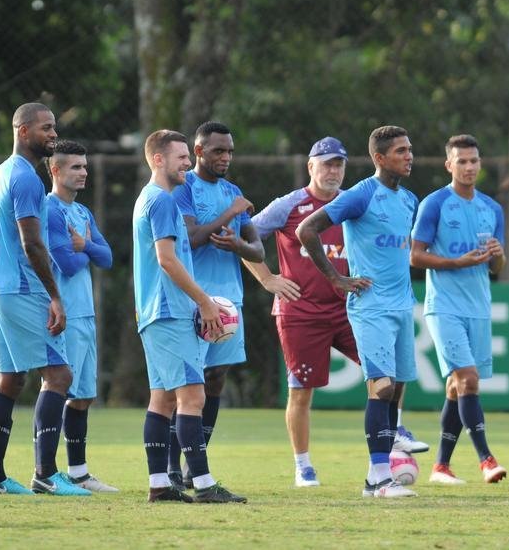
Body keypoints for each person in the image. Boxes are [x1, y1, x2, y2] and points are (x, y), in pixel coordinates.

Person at [296, 125, 419, 498]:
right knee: (379, 387)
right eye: (400, 151)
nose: (409, 156)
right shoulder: (362, 194)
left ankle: (373, 479)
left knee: (395, 390)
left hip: (402, 305)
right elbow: (307, 230)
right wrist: (336, 278)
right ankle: (381, 479)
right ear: (380, 158)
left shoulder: (410, 200)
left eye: (409, 149)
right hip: (371, 307)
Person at [0, 103, 89, 496]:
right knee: (59, 375)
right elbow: (31, 242)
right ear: (23, 131)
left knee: (9, 379)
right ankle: (46, 473)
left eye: (54, 127)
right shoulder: (26, 178)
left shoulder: (0, 173)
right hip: (19, 287)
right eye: (46, 128)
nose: (53, 134)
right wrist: (55, 296)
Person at [134, 130, 245, 504]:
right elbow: (167, 260)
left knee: (162, 400)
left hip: (157, 311)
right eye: (180, 157)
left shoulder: (148, 199)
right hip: (170, 310)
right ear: (157, 160)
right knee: (192, 397)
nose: (186, 163)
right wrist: (204, 301)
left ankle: (160, 484)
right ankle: (203, 484)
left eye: (186, 156)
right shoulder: (163, 201)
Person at [244, 136, 359, 487]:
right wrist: (267, 278)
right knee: (301, 391)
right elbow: (245, 236)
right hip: (300, 312)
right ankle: (303, 465)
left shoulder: (352, 203)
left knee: (385, 371)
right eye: (326, 164)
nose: (333, 171)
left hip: (347, 308)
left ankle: (390, 441)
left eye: (338, 164)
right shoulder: (291, 204)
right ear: (311, 167)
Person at [168, 122, 265, 487]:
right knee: (186, 384)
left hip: (230, 301)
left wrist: (238, 245)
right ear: (198, 151)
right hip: (194, 299)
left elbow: (257, 249)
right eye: (218, 151)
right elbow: (190, 239)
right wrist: (229, 216)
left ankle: (196, 466)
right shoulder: (184, 187)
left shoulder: (233, 191)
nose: (225, 158)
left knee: (215, 379)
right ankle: (173, 467)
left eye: (229, 151)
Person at [410, 134, 507, 485]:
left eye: (474, 161)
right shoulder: (434, 204)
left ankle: (440, 466)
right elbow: (415, 255)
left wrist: (498, 254)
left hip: (479, 308)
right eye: (462, 161)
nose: (469, 167)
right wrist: (454, 262)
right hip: (444, 307)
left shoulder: (492, 209)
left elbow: (497, 268)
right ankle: (486, 459)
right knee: (468, 379)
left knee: (456, 387)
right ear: (449, 165)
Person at [45, 140, 117, 492]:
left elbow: (107, 258)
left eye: (85, 166)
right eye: (75, 167)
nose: (84, 172)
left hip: (86, 315)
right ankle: (46, 471)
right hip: (64, 314)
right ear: (55, 170)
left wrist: (85, 244)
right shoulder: (50, 210)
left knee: (84, 395)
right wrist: (87, 249)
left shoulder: (84, 213)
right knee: (57, 389)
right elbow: (69, 265)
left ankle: (79, 473)